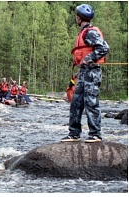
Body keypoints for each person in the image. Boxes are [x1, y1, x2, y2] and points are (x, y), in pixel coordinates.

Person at [61, 4, 109, 143]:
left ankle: (95, 134)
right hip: (83, 73)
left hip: (92, 72)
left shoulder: (90, 32)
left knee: (91, 103)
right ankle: (74, 133)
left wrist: (88, 58)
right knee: (76, 103)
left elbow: (104, 48)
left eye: (76, 16)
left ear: (79, 18)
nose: (76, 18)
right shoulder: (83, 32)